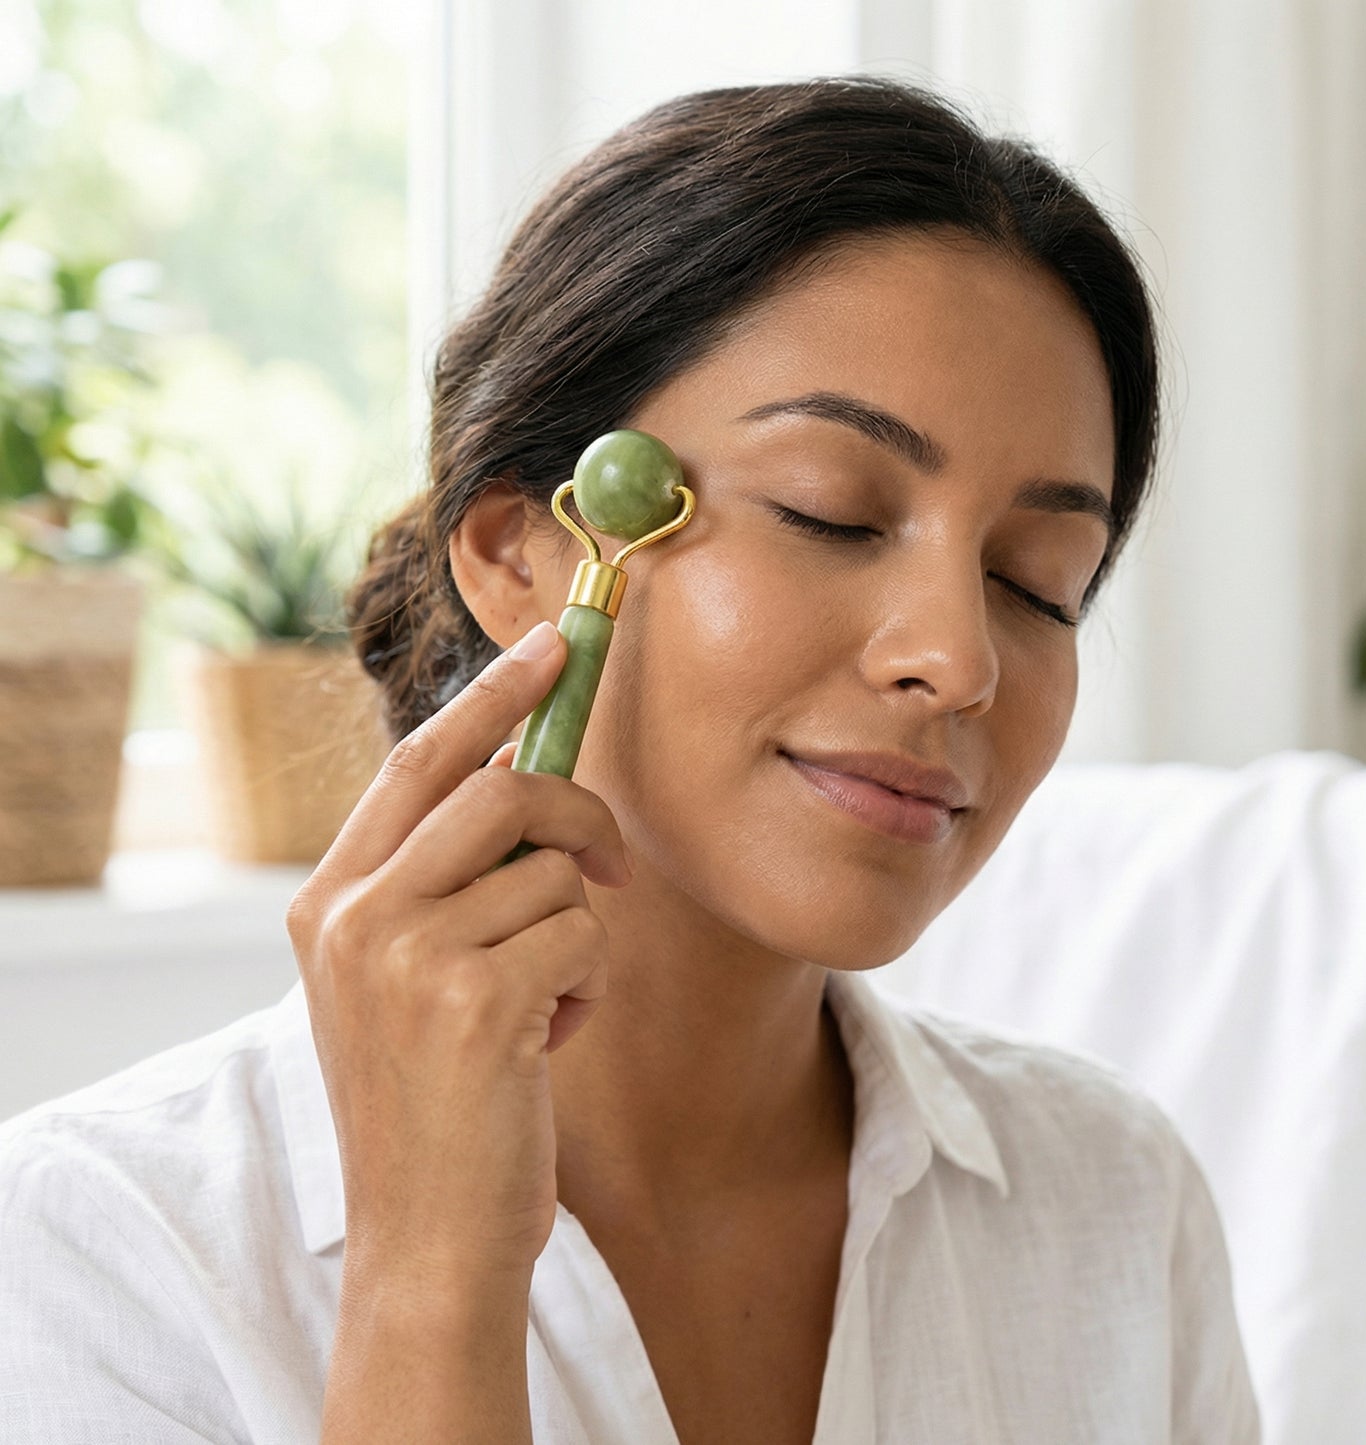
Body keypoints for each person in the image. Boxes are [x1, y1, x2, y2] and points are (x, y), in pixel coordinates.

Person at [0, 76, 1261, 1443]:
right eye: (827, 511)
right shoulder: (94, 1249)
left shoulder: (1111, 1197)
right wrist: (429, 1276)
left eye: (1037, 579)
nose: (956, 658)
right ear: (517, 551)